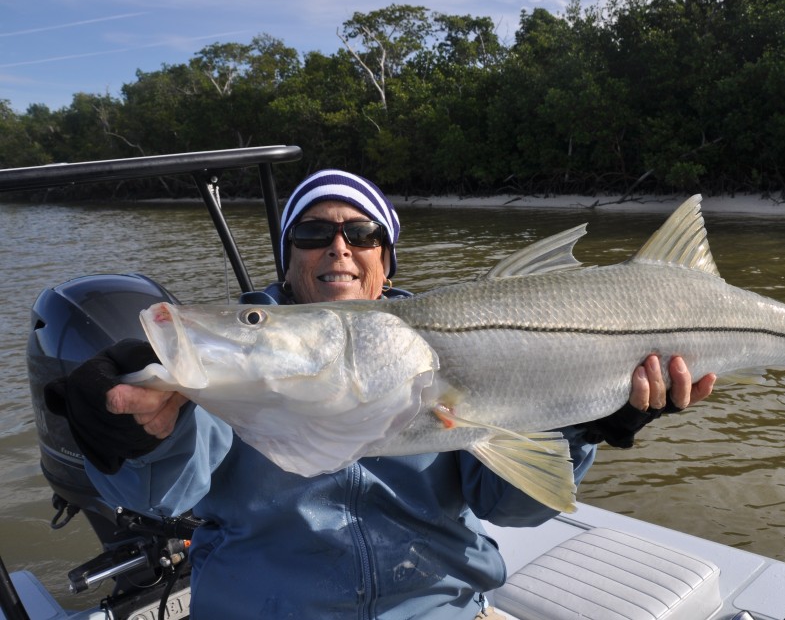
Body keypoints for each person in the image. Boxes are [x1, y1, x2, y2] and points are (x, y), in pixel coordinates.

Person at [47, 170, 716, 619]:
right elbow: (159, 496)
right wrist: (128, 433)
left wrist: (585, 424)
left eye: (361, 233)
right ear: (287, 259)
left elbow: (507, 505)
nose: (338, 246)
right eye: (312, 232)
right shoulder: (245, 364)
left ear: (385, 260)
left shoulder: (432, 337)